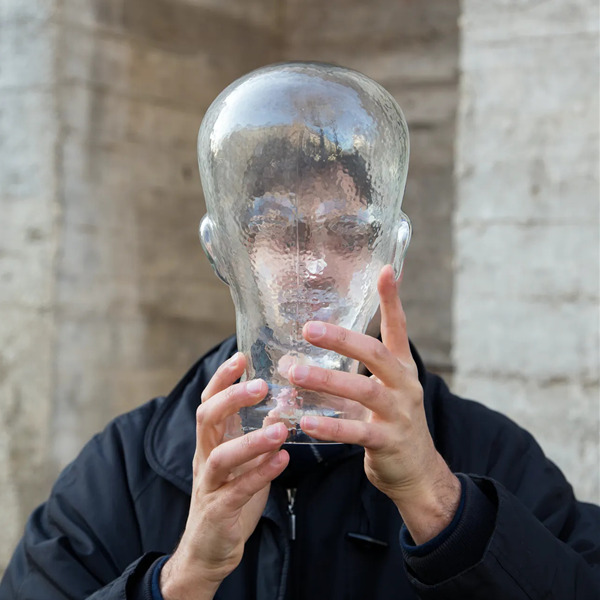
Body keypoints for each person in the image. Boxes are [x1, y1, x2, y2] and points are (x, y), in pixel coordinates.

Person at [1, 265, 599, 599]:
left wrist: (439, 505)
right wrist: (183, 578)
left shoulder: (491, 452)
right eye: (274, 225)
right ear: (224, 248)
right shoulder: (125, 466)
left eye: (346, 229)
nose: (313, 264)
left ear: (390, 245)